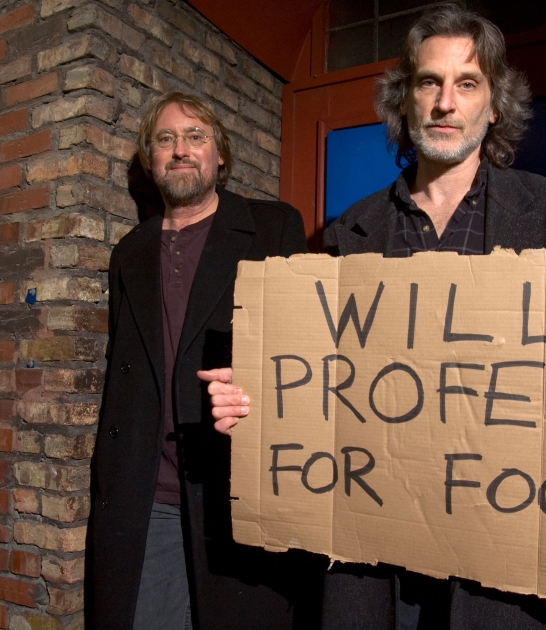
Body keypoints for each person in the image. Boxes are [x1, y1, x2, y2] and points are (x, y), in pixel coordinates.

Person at [201, 5, 546, 629]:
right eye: (429, 82)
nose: (446, 102)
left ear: (494, 105)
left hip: (502, 572)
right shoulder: (348, 234)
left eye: (467, 83)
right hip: (375, 566)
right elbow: (323, 390)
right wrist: (256, 407)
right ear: (406, 100)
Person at [87, 91, 323, 630]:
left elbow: (310, 353)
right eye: (165, 139)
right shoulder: (130, 251)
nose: (181, 150)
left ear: (220, 156)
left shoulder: (272, 228)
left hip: (239, 490)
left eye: (196, 136)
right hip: (148, 500)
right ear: (151, 160)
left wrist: (261, 384)